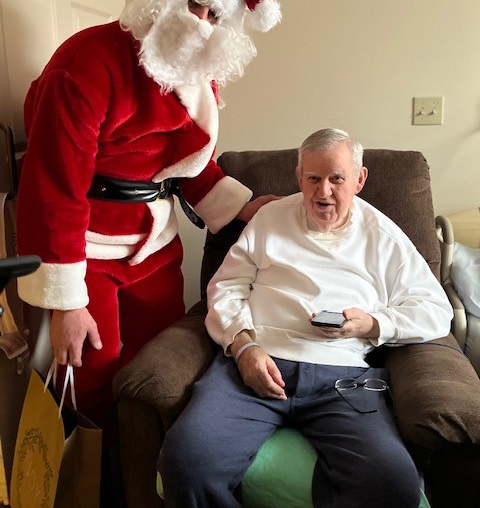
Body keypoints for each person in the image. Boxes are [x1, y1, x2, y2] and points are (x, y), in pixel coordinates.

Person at [15, 0, 281, 438]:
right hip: (86, 247)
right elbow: (52, 188)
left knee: (160, 367)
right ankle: (104, 481)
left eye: (213, 14)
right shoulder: (85, 64)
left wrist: (241, 207)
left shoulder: (194, 74)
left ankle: (151, 473)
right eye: (193, 4)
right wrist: (67, 302)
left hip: (155, 242)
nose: (200, 23)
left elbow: (189, 161)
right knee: (92, 373)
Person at [158, 128, 453, 508]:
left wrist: (373, 324)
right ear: (299, 177)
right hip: (255, 364)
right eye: (313, 178)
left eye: (337, 178)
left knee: (393, 480)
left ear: (359, 180)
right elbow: (226, 288)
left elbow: (435, 310)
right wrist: (243, 345)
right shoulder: (268, 219)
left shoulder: (383, 236)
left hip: (343, 377)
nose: (323, 191)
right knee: (186, 460)